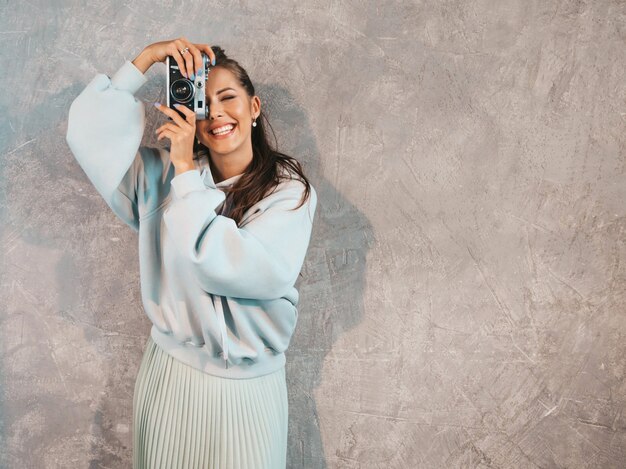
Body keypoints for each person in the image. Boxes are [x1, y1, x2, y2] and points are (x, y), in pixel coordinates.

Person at [65, 37, 317, 469]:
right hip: (170, 378)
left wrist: (185, 171)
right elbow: (85, 134)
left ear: (254, 108)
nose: (217, 113)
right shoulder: (159, 177)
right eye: (204, 101)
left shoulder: (288, 193)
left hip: (249, 391)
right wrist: (146, 58)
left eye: (229, 97)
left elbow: (226, 266)